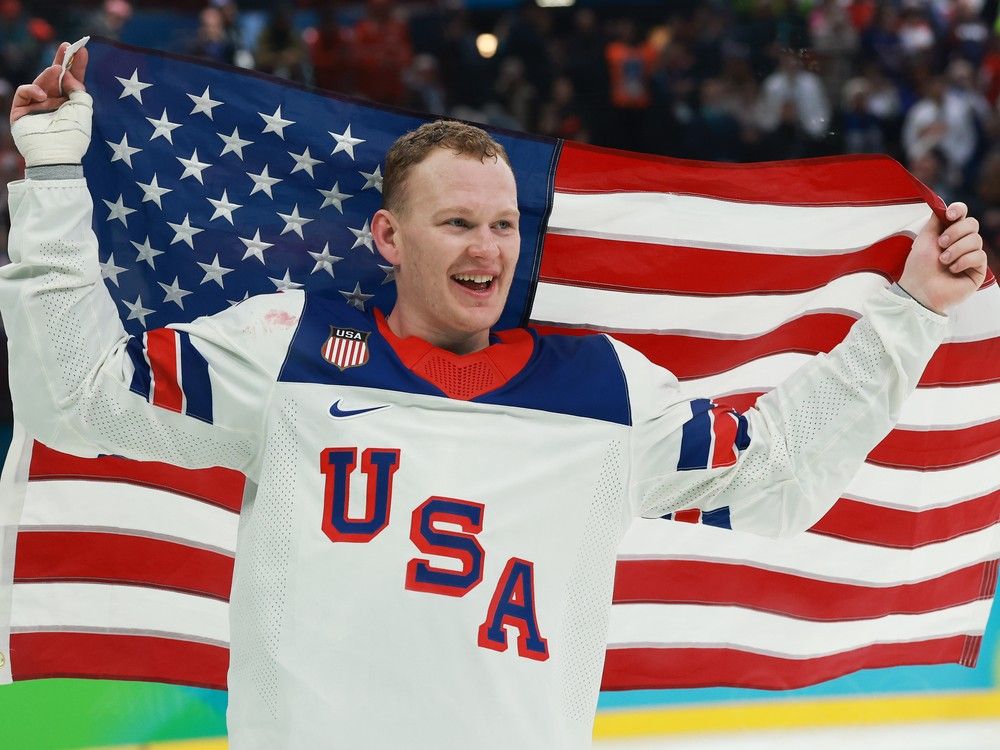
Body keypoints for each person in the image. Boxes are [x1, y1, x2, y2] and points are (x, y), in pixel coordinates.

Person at [2, 43, 988, 749]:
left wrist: (911, 311)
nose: (489, 248)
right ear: (389, 238)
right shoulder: (288, 350)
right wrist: (49, 177)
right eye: (458, 223)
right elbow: (76, 397)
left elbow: (779, 472)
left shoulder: (601, 392)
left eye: (505, 225)